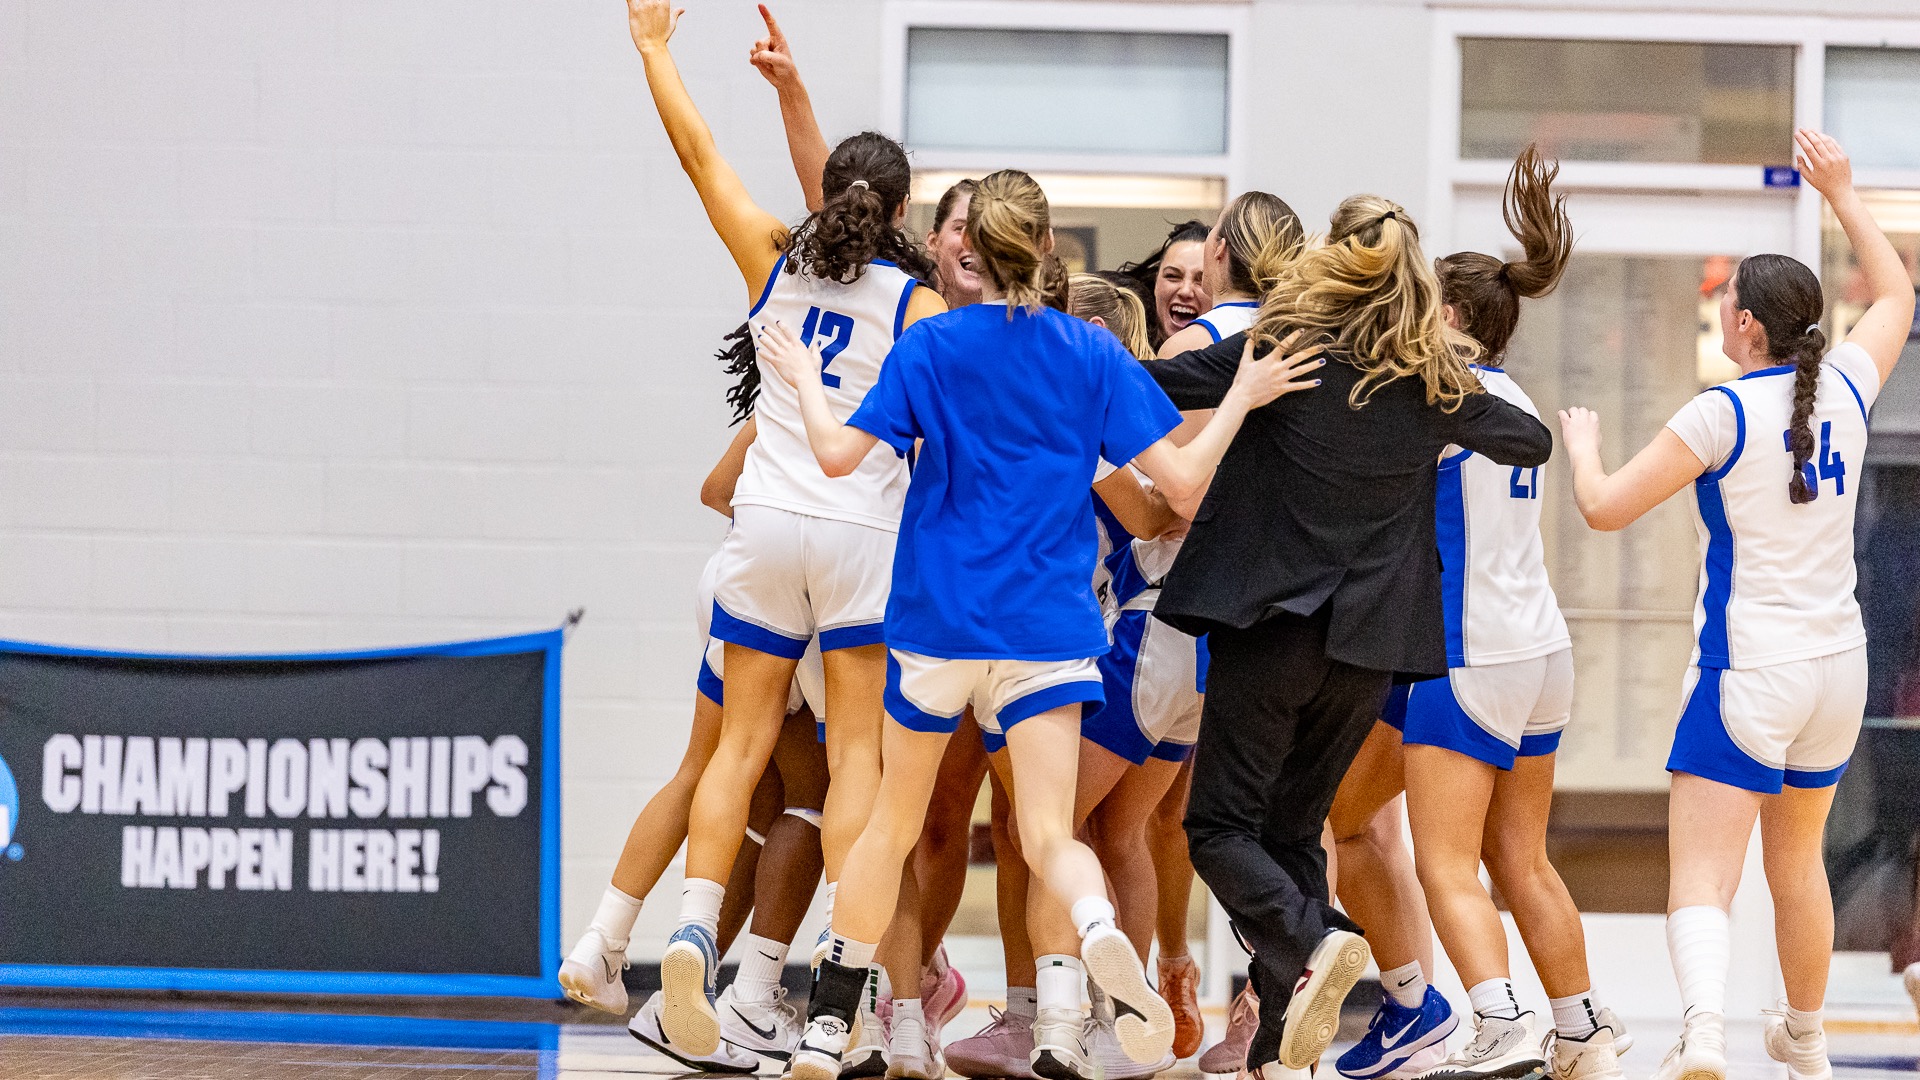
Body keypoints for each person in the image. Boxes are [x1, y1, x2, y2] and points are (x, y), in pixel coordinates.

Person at [756, 168, 1324, 1080]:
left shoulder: (932, 345)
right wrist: (1244, 402)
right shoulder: (1092, 354)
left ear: (972, 250)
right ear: (1050, 249)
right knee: (1053, 836)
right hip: (1049, 632)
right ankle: (1098, 936)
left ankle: (829, 1023)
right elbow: (1179, 490)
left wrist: (801, 381)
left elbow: (832, 458)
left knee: (891, 826)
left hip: (938, 626)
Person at [1145, 194, 1555, 1079]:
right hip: (1370, 653)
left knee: (1217, 826)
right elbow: (1531, 439)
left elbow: (1154, 384)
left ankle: (1316, 935)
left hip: (1273, 631)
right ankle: (1275, 1042)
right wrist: (1443, 372)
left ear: (1335, 263)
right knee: (1291, 832)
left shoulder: (1288, 350)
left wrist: (1238, 386)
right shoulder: (1424, 380)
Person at [622, 0, 949, 1058]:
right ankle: (842, 983)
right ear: (900, 212)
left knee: (738, 746)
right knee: (856, 761)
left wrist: (655, 50)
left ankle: (687, 927)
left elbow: (695, 150)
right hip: (860, 538)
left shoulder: (771, 254)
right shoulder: (920, 306)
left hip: (760, 524)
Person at [1558, 130, 1914, 1080]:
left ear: (1747, 325)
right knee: (1796, 868)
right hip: (1840, 669)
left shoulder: (1719, 411)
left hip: (1746, 669)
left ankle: (1705, 1034)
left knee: (1704, 877)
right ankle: (1805, 1039)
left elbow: (1602, 510)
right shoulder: (1844, 386)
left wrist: (1584, 445)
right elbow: (1897, 297)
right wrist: (1841, 192)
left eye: (1726, 302)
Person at [1404, 147, 1629, 1080]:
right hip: (1542, 650)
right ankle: (1580, 1026)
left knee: (1443, 864)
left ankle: (1498, 1025)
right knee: (1522, 859)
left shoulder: (1440, 397)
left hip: (1471, 651)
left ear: (1448, 317)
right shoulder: (1515, 396)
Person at [1120, 221, 1215, 348]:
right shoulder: (1124, 355)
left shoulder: (1236, 359)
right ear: (1155, 283)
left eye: (1201, 280)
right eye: (1173, 276)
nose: (1185, 291)